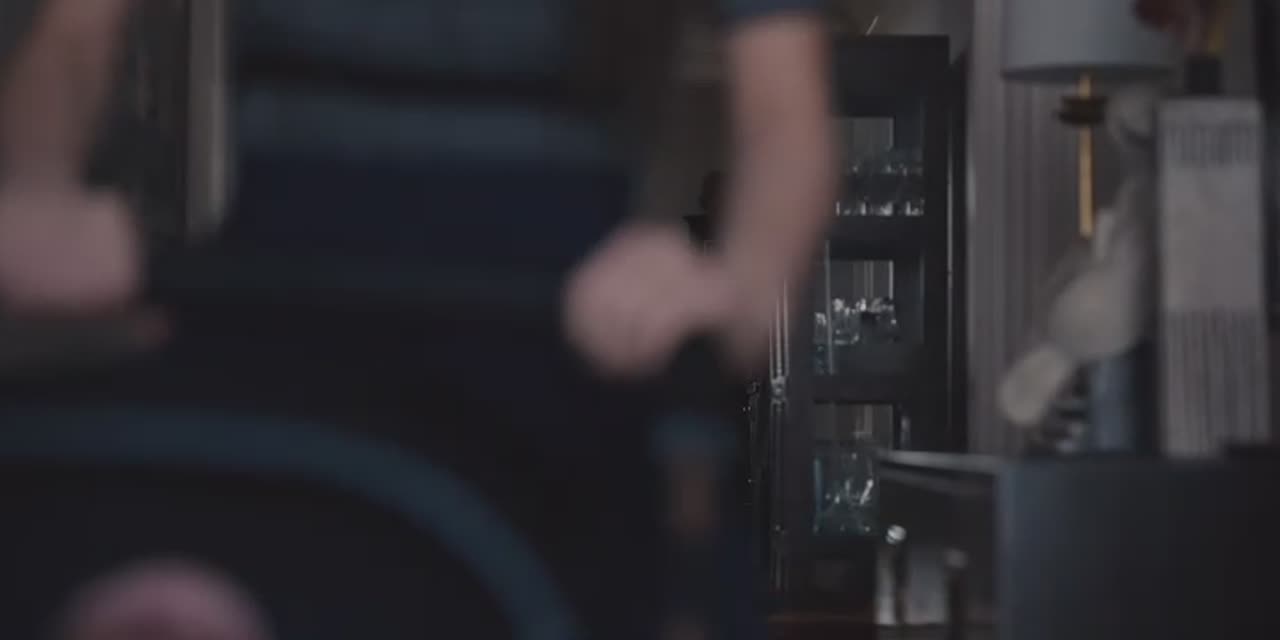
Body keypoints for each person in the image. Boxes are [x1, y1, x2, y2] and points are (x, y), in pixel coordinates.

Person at [0, 0, 835, 637]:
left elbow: (785, 124)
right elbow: (77, 30)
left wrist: (731, 284)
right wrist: (38, 189)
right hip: (284, 313)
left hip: (554, 334)